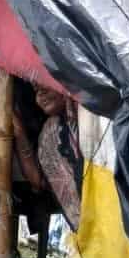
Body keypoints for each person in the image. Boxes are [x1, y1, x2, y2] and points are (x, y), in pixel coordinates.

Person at [13, 83, 82, 230]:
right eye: (36, 90)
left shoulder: (88, 113)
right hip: (87, 226)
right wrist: (19, 132)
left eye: (45, 85)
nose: (40, 95)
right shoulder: (49, 134)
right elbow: (38, 180)